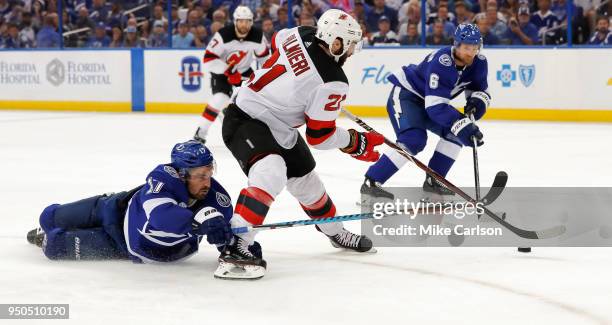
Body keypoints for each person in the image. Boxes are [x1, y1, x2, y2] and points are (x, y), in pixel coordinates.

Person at [219, 9, 382, 280]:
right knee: (271, 170)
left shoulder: (301, 32)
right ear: (335, 43)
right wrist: (355, 141)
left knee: (307, 182)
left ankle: (334, 231)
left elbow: (276, 42)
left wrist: (289, 86)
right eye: (350, 44)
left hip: (279, 124)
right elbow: (320, 137)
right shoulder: (333, 82)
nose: (353, 51)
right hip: (246, 117)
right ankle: (237, 243)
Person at [26, 141, 247, 276]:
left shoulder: (218, 199)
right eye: (200, 176)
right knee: (50, 216)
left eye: (209, 174)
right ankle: (46, 228)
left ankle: (44, 238)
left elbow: (224, 236)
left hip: (122, 244)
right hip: (113, 208)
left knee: (54, 246)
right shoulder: (162, 178)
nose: (207, 182)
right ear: (181, 174)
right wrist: (199, 219)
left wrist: (236, 245)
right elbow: (161, 217)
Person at [361, 24, 489, 199]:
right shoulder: (442, 62)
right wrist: (463, 124)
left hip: (433, 102)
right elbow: (435, 108)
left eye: (475, 48)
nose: (471, 53)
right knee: (413, 140)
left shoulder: (479, 62)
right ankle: (372, 182)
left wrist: (477, 103)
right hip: (407, 96)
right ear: (456, 44)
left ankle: (434, 181)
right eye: (467, 47)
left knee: (454, 135)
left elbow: (480, 89)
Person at [194, 6, 269, 143]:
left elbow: (265, 60)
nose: (244, 24)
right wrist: (229, 71)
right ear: (235, 21)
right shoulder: (223, 35)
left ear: (251, 22)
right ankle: (201, 132)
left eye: (247, 21)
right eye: (241, 21)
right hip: (222, 73)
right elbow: (208, 60)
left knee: (253, 101)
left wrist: (266, 75)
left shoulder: (258, 36)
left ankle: (236, 121)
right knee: (219, 98)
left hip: (244, 71)